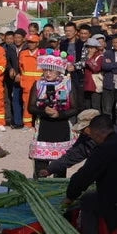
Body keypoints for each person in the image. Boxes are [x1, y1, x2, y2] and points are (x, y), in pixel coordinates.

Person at [28, 50, 77, 178]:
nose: (48, 73)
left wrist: (59, 114)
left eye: (52, 70)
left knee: (60, 168)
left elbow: (75, 108)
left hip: (61, 129)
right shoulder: (38, 84)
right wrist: (43, 111)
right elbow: (30, 107)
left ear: (59, 71)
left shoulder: (67, 84)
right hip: (44, 129)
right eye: (45, 70)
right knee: (40, 168)